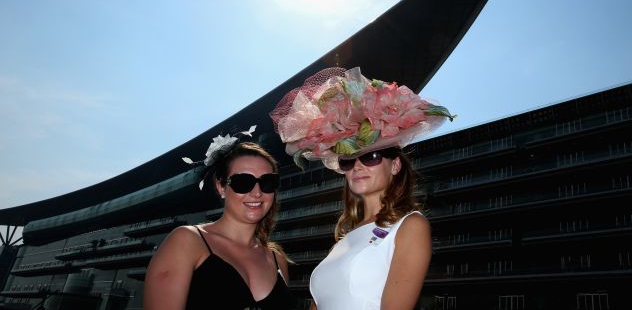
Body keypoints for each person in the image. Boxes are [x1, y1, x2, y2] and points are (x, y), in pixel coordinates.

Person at [270, 67, 455, 310]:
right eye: (348, 160)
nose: (357, 166)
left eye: (372, 156)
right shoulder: (343, 240)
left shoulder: (410, 226)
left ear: (396, 164)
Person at [143, 128, 295, 310]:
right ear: (221, 186)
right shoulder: (187, 241)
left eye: (267, 182)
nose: (257, 193)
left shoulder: (278, 260)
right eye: (243, 182)